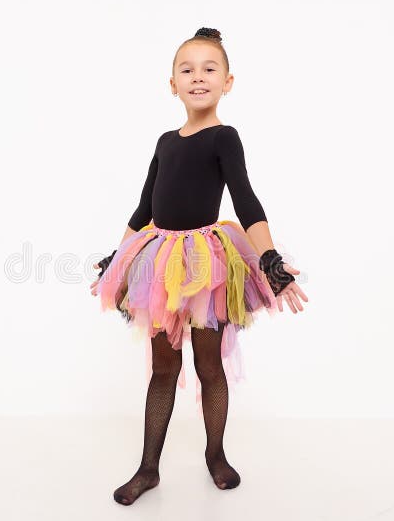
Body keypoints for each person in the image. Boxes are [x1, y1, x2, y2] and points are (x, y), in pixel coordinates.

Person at [89, 26, 309, 506]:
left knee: (210, 366)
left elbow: (245, 199)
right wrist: (116, 258)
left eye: (210, 69)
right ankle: (149, 469)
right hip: (158, 261)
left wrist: (269, 258)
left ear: (228, 81)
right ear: (172, 84)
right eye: (186, 70)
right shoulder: (166, 141)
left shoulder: (224, 138)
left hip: (206, 265)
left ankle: (215, 454)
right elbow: (143, 205)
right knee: (162, 369)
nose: (198, 77)